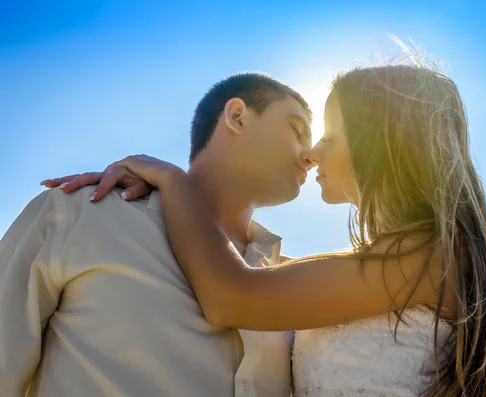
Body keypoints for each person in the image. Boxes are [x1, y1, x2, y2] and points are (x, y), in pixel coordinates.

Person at [47, 65, 486, 396]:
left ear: (381, 142)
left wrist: (170, 179)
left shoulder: (434, 258)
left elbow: (232, 296)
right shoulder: (391, 261)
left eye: (329, 136)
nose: (313, 154)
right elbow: (256, 273)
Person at [0, 73, 314, 397]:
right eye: (297, 130)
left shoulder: (290, 282)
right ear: (237, 117)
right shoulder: (79, 211)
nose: (311, 155)